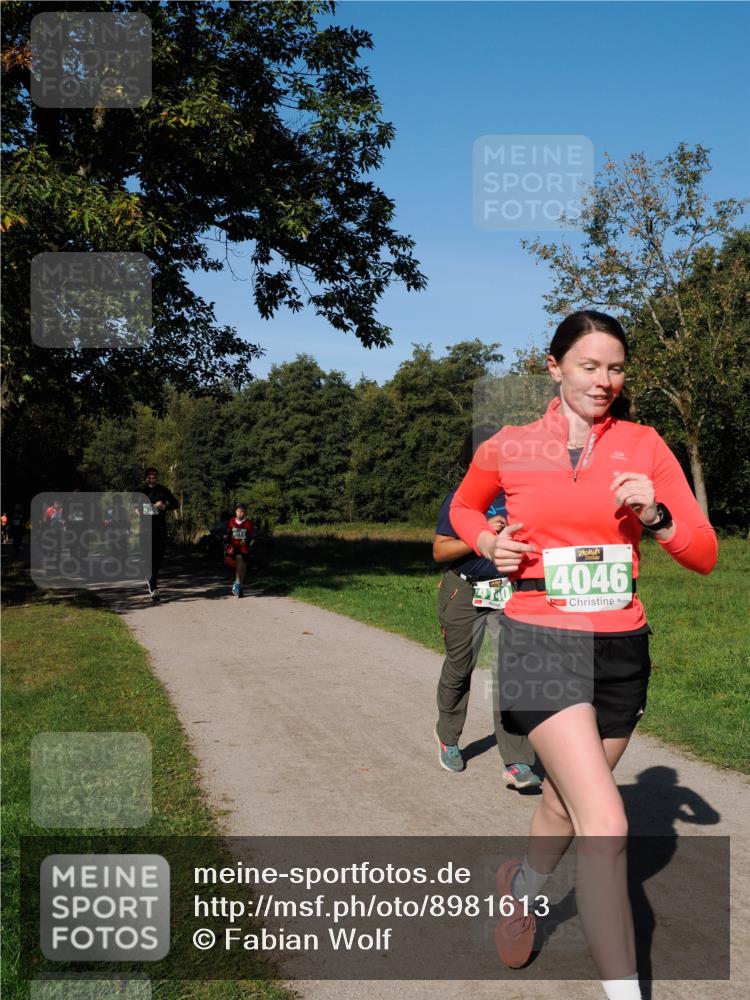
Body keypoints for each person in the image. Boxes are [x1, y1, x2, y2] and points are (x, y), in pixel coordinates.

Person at [449, 310, 717, 999]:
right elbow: (463, 510)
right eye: (590, 366)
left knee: (566, 809)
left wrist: (656, 517)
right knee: (606, 822)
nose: (604, 380)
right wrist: (487, 544)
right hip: (540, 641)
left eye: (616, 367)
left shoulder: (645, 444)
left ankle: (523, 888)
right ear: (555, 366)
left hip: (621, 647)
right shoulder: (508, 445)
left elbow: (705, 556)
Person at [434, 425, 541, 790]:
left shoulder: (520, 495)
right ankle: (448, 738)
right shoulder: (459, 498)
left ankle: (517, 761)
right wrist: (480, 537)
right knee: (459, 667)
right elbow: (439, 551)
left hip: (509, 593)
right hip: (464, 592)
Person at [138, 467, 178, 602]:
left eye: (154, 476)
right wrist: (156, 507)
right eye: (149, 476)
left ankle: (151, 578)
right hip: (145, 529)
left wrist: (165, 507)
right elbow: (136, 510)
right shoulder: (141, 491)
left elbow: (176, 504)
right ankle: (153, 587)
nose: (151, 478)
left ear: (157, 477)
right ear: (145, 478)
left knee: (158, 558)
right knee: (148, 558)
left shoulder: (163, 490)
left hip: (160, 528)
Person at [224, 502, 255, 597]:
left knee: (243, 568)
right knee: (239, 560)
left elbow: (252, 536)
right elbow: (228, 534)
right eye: (238, 511)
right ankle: (237, 583)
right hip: (235, 547)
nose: (239, 513)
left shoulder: (248, 523)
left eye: (242, 512)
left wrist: (247, 541)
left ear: (245, 512)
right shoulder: (231, 521)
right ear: (235, 512)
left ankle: (240, 588)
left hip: (245, 548)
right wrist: (226, 542)